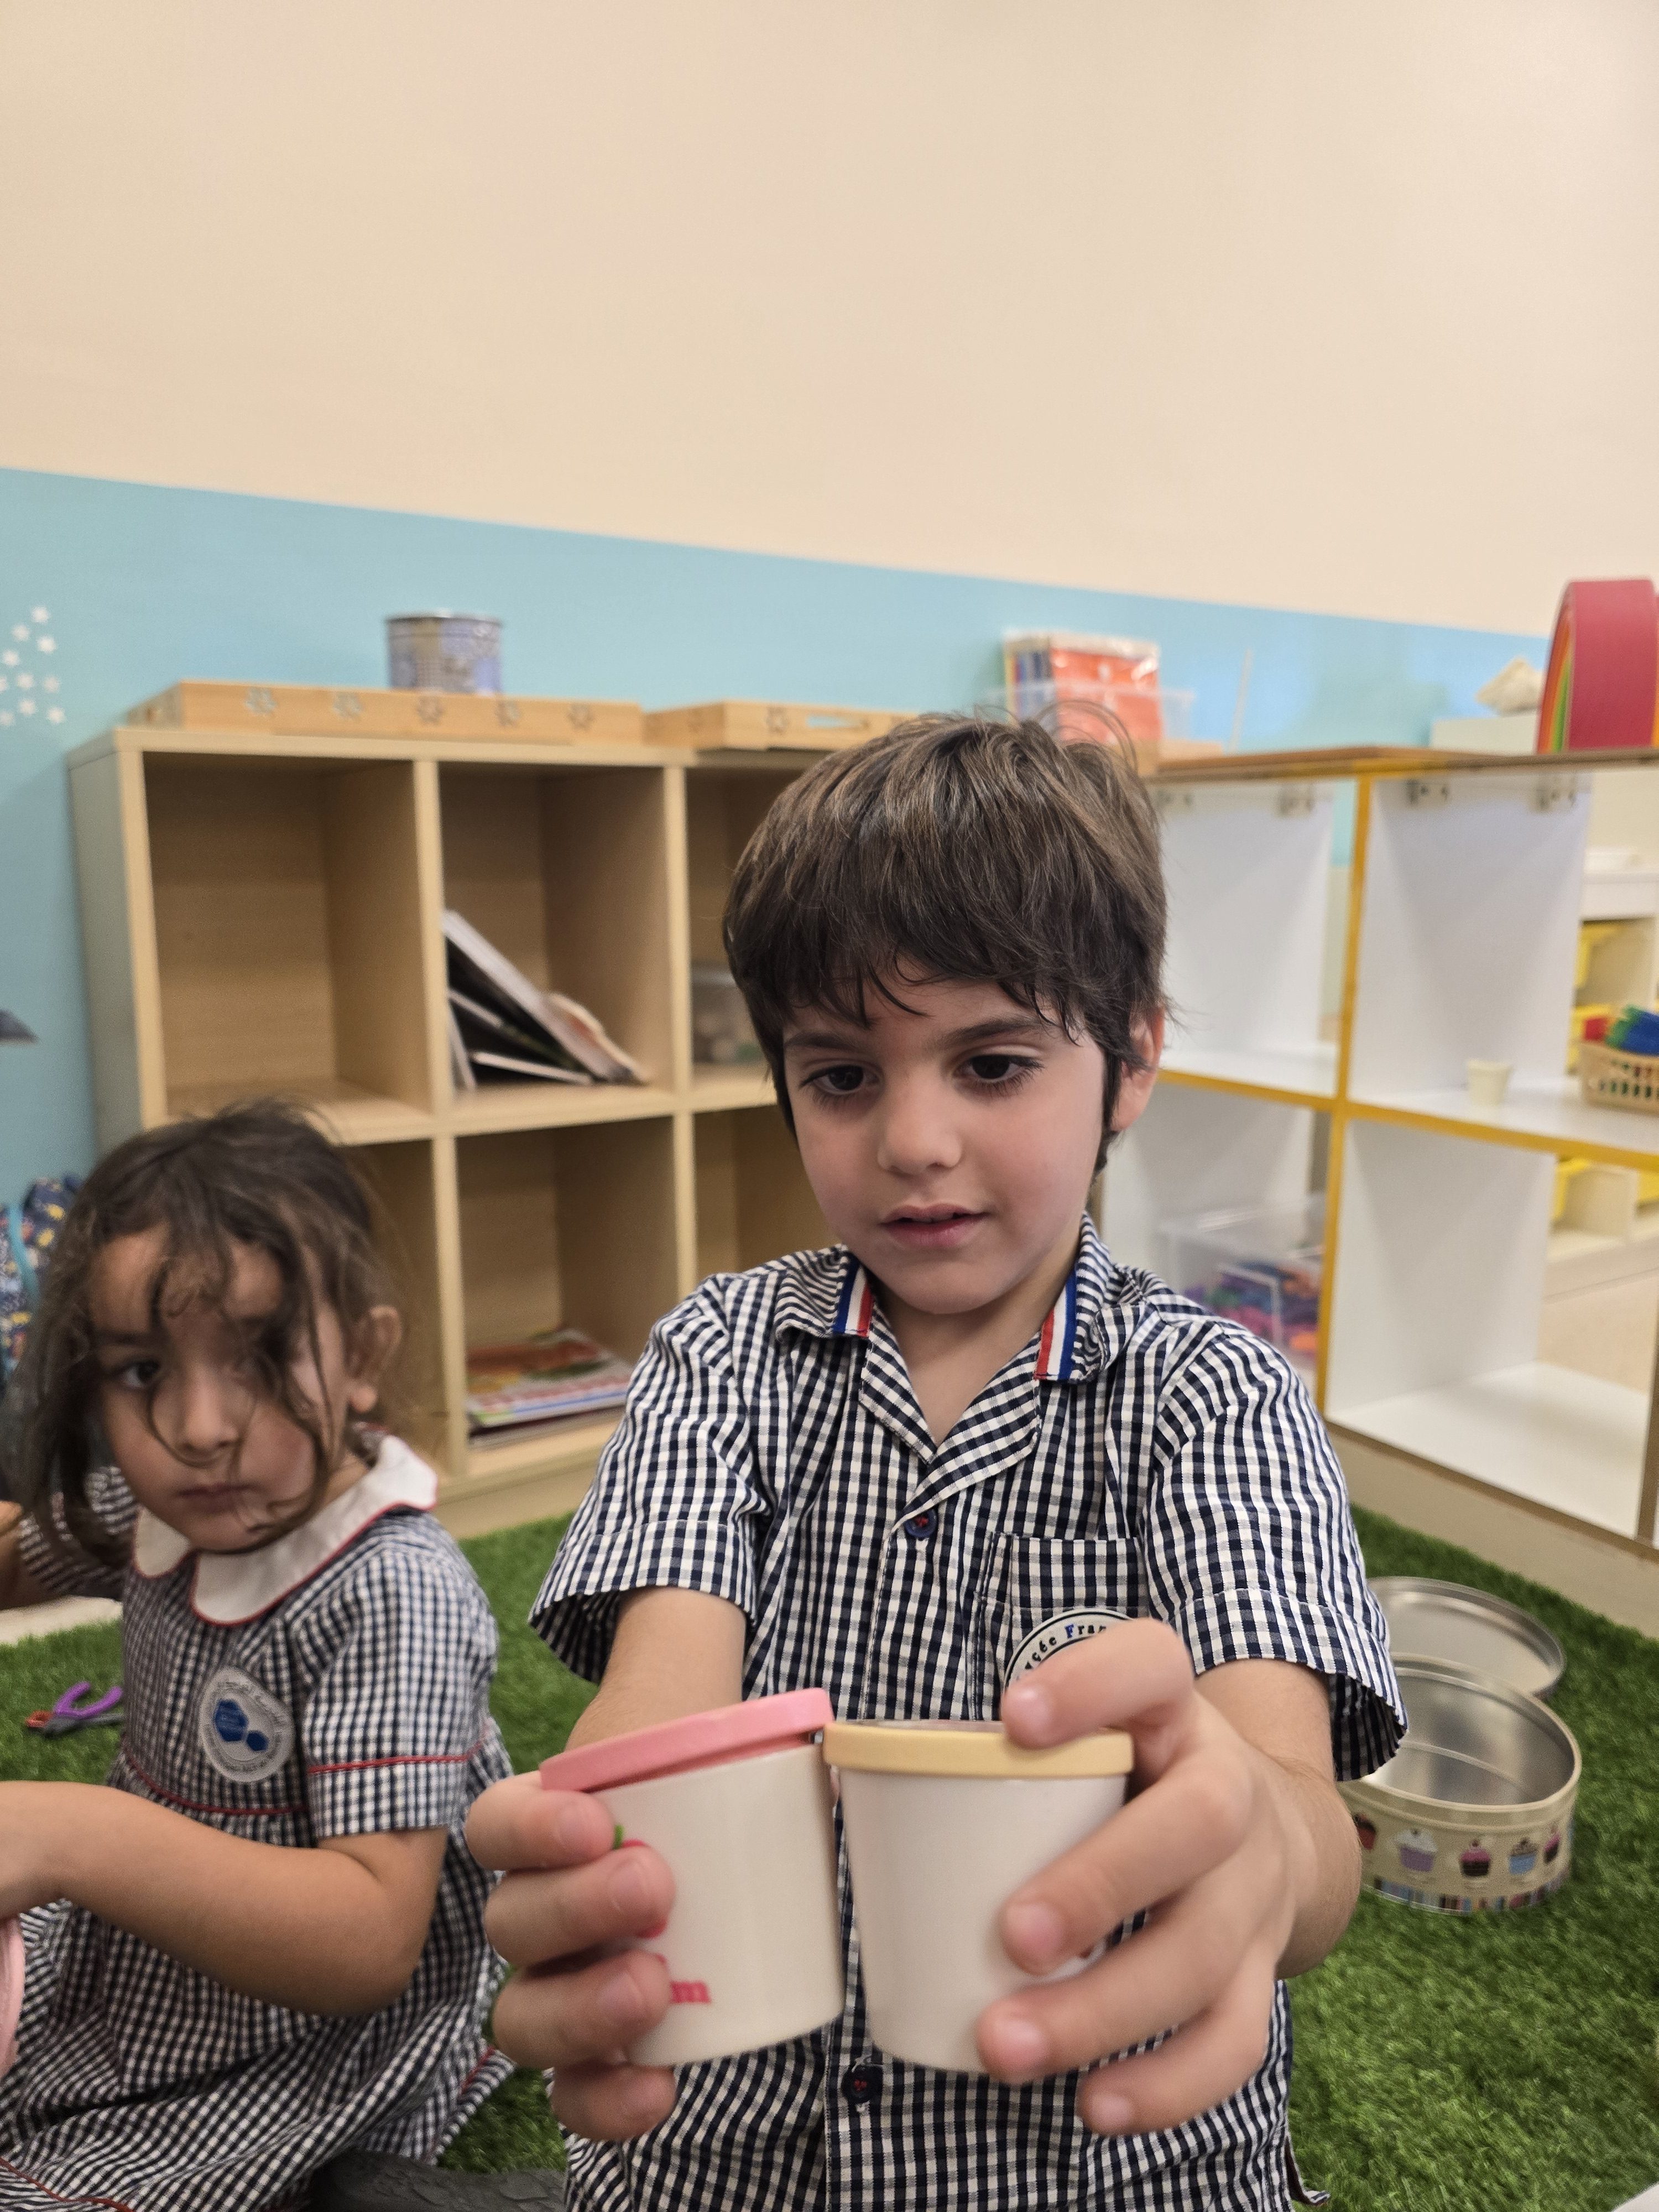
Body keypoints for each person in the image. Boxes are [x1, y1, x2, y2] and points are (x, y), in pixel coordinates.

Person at [468, 716, 1404, 2211]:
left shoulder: (1214, 1396)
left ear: (1132, 1058)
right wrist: (605, 1843)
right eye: (843, 1075)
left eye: (992, 1062)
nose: (913, 1138)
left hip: (1112, 2159)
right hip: (733, 2151)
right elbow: (660, 1696)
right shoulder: (725, 1355)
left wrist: (1265, 1851)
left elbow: (1294, 1809)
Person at [0, 1103, 535, 2211]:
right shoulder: (172, 1507)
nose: (200, 1426)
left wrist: (69, 1834)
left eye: (258, 1354)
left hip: (309, 2027)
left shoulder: (394, 1590)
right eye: (142, 1370)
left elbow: (366, 1940)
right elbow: (17, 1553)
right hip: (143, 1949)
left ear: (363, 1357)